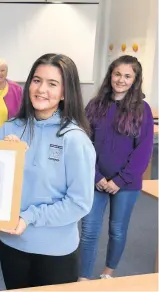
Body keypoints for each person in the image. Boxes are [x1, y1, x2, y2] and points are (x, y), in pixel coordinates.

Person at [0, 53, 96, 289]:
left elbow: (79, 203)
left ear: (64, 93)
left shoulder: (75, 140)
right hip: (11, 243)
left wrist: (29, 218)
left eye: (52, 84)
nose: (41, 89)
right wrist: (4, 159)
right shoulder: (8, 129)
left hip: (55, 250)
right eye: (37, 80)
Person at [79, 55, 154, 280]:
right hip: (96, 180)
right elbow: (83, 144)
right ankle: (83, 278)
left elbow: (143, 150)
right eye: (117, 74)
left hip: (126, 185)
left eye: (127, 76)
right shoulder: (94, 105)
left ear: (135, 80)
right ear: (110, 75)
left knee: (117, 230)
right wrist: (95, 175)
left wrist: (119, 181)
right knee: (89, 232)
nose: (121, 80)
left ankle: (107, 273)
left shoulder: (143, 109)